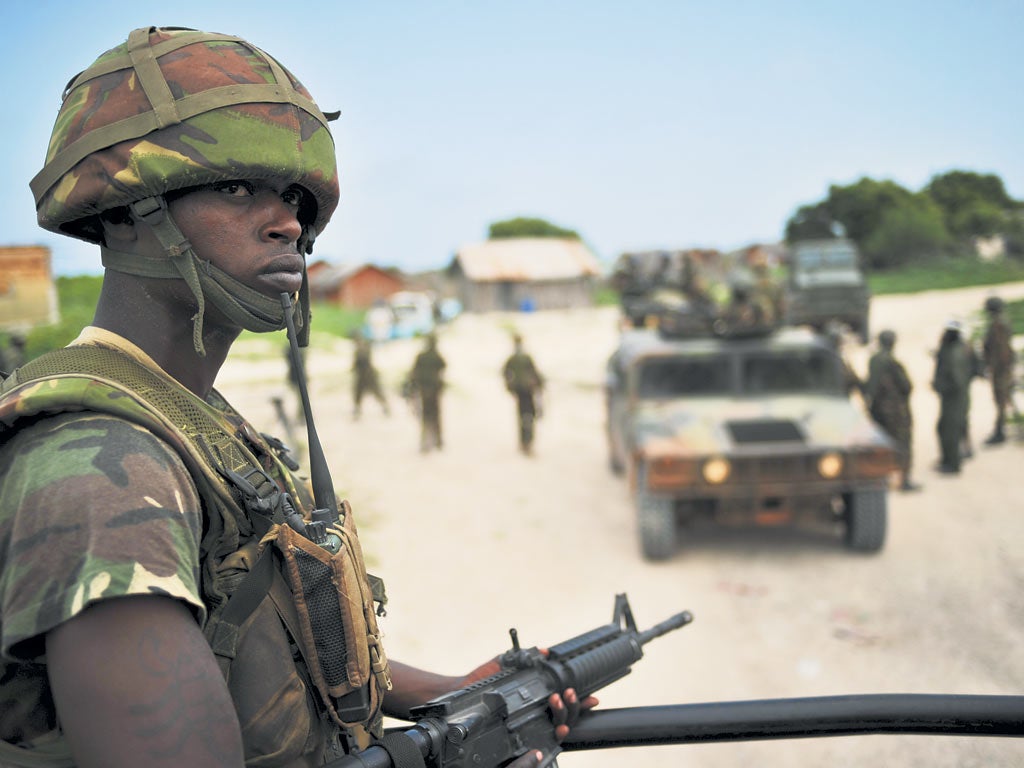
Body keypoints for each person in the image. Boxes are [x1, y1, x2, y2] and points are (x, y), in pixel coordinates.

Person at [0, 27, 590, 768]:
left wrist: (456, 694)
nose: (288, 223)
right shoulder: (101, 465)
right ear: (125, 211)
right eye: (236, 187)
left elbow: (260, 636)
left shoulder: (190, 417)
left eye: (293, 196)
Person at [864, 330, 920, 492]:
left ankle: (881, 478)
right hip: (896, 410)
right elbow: (906, 386)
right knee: (903, 444)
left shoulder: (874, 360)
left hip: (878, 409)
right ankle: (905, 480)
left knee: (881, 444)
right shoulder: (892, 362)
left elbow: (870, 386)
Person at [931, 319, 972, 475]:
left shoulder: (955, 353)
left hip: (954, 398)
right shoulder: (952, 349)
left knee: (950, 430)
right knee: (944, 428)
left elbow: (957, 380)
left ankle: (953, 463)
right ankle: (948, 459)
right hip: (953, 397)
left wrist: (942, 387)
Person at [502, 334, 545, 454]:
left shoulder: (514, 358)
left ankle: (525, 442)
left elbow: (505, 373)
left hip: (522, 390)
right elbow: (534, 372)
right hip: (526, 390)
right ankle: (527, 442)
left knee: (524, 416)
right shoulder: (524, 357)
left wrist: (510, 385)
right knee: (527, 416)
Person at [981, 295, 1015, 445]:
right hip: (1002, 366)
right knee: (1004, 397)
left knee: (1001, 397)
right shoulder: (1001, 321)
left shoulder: (998, 325)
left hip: (1001, 367)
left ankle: (1000, 431)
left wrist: (996, 367)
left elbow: (1001, 350)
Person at [407, 332, 446, 452]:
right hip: (433, 390)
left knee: (427, 416)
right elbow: (442, 369)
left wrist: (412, 389)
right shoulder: (436, 356)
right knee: (435, 416)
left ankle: (428, 442)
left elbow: (414, 373)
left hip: (425, 390)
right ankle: (436, 441)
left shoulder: (422, 356)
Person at [352, 330, 390, 418]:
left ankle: (386, 408)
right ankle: (357, 411)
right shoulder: (359, 348)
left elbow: (364, 359)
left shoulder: (364, 347)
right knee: (358, 394)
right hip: (361, 376)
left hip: (369, 375)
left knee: (377, 392)